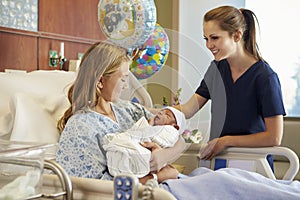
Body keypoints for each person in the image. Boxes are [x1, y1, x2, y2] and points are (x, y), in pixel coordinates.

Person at [55, 41, 186, 182]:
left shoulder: (128, 110)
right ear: (100, 81)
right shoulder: (81, 127)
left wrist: (163, 156)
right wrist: (157, 177)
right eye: (123, 79)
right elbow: (96, 187)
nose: (126, 86)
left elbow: (179, 138)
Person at [174, 5, 286, 166]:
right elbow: (189, 109)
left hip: (254, 163)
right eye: (206, 39)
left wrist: (226, 141)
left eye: (215, 38)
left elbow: (274, 137)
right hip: (221, 160)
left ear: (237, 35)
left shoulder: (265, 77)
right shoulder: (217, 69)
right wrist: (153, 113)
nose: (208, 45)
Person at [103, 106, 186, 178]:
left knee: (172, 173)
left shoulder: (170, 130)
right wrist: (148, 125)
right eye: (161, 111)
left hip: (143, 159)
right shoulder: (153, 125)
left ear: (174, 126)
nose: (161, 113)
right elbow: (140, 133)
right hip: (129, 155)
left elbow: (160, 139)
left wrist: (163, 155)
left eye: (167, 115)